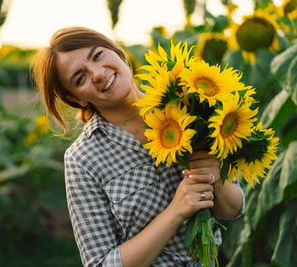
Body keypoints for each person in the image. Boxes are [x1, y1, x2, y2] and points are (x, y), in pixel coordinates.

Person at [33, 26, 244, 267]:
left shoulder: (186, 101)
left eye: (98, 55)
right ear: (76, 98)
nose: (98, 73)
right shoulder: (83, 159)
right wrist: (176, 212)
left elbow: (232, 209)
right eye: (80, 78)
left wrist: (216, 179)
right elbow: (100, 263)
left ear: (118, 52)